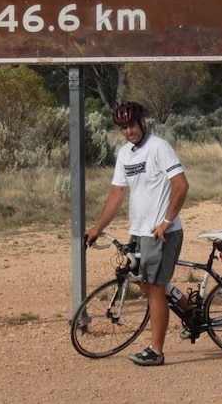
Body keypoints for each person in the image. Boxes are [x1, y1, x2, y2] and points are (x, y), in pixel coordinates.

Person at [84, 101, 190, 366]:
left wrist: (167, 220)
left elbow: (181, 185)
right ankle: (191, 311)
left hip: (161, 233)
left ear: (143, 122)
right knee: (149, 284)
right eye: (123, 127)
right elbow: (117, 193)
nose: (128, 131)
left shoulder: (159, 147)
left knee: (154, 288)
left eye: (131, 125)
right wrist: (98, 228)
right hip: (140, 232)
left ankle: (156, 351)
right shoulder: (125, 154)